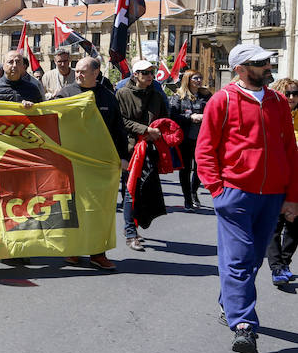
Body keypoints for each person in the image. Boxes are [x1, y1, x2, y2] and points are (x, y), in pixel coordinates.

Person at [196, 44, 298, 353]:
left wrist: (292, 196)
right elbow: (205, 150)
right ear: (241, 69)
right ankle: (243, 325)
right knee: (240, 259)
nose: (268, 65)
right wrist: (218, 191)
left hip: (272, 196)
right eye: (259, 62)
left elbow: (290, 153)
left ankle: (230, 300)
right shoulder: (221, 100)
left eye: (268, 60)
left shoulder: (279, 102)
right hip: (235, 195)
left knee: (253, 259)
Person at [56, 57, 128, 271]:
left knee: (98, 210)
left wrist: (123, 156)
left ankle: (98, 253)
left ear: (96, 73)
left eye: (82, 71)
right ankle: (73, 250)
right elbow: (46, 116)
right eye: (76, 71)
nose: (78, 74)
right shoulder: (66, 93)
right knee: (73, 208)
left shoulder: (108, 97)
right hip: (72, 162)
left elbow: (118, 129)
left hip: (100, 164)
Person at [115, 59, 168, 251]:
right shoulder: (122, 93)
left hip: (150, 148)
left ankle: (135, 225)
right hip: (129, 148)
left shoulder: (157, 94)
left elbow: (164, 117)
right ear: (135, 75)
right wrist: (145, 129)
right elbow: (120, 120)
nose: (149, 76)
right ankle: (130, 233)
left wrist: (163, 130)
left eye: (151, 72)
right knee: (130, 190)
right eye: (145, 72)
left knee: (144, 189)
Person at [266, 77, 298, 287]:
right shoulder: (272, 114)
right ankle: (276, 266)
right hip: (275, 175)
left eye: (295, 93)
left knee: (295, 223)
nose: (292, 97)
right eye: (287, 93)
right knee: (274, 225)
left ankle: (285, 262)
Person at [169, 70, 211, 211]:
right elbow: (173, 116)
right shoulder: (178, 96)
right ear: (188, 79)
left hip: (202, 138)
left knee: (200, 168)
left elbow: (214, 111)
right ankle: (187, 199)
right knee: (185, 169)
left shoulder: (205, 96)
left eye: (200, 77)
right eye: (195, 78)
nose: (199, 80)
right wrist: (190, 117)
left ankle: (193, 192)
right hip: (185, 138)